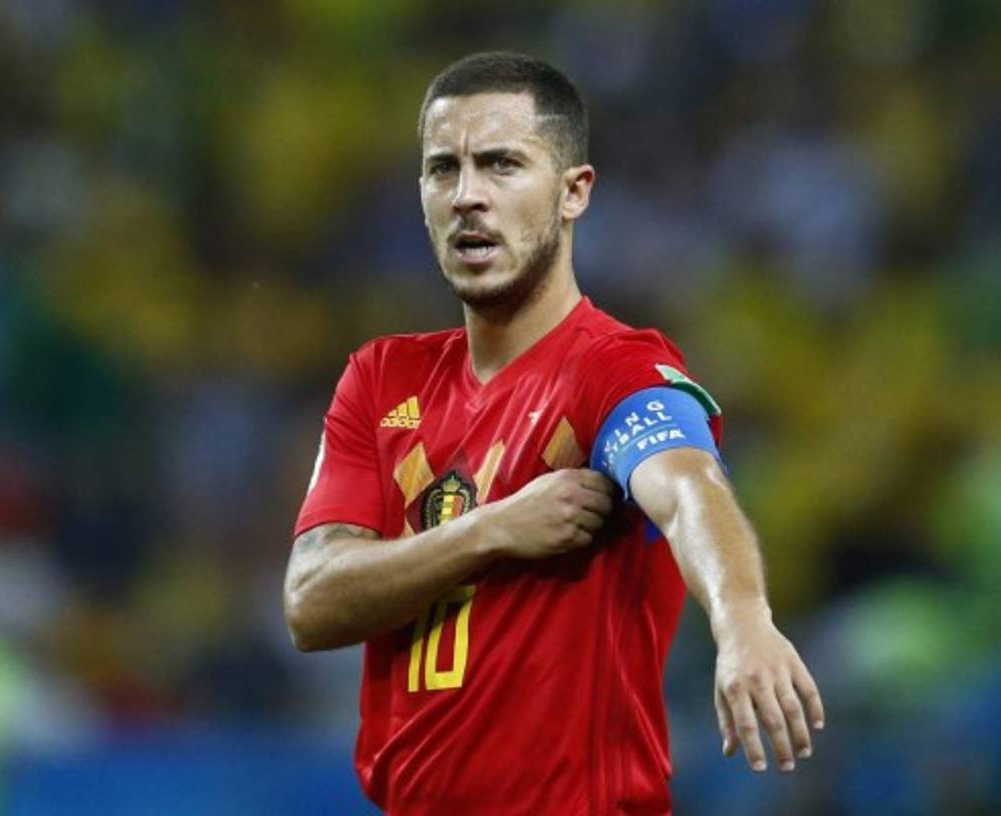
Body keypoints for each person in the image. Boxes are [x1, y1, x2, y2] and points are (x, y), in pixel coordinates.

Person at [284, 51, 825, 815]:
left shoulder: (613, 370)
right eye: (445, 169)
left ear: (574, 192)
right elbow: (311, 601)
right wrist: (491, 530)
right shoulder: (380, 379)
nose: (468, 196)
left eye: (502, 165)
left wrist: (742, 619)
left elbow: (687, 487)